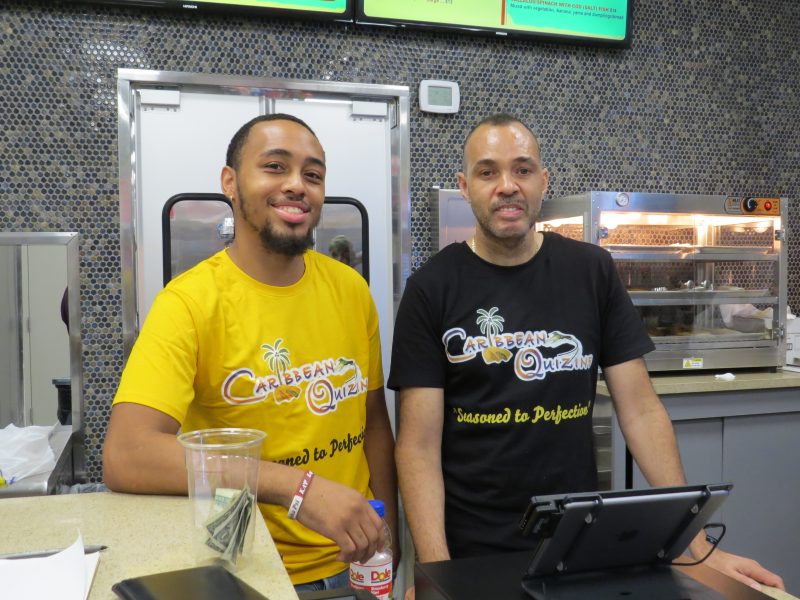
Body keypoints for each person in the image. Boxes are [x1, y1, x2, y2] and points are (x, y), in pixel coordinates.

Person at [389, 113, 783, 594]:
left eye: (522, 169)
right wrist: (435, 573)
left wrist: (696, 547)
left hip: (576, 543)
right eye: (488, 172)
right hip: (473, 550)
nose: (507, 185)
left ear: (544, 181)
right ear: (465, 186)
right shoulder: (431, 288)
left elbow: (640, 410)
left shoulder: (591, 270)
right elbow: (418, 446)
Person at [103, 114, 397, 591]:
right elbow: (126, 454)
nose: (297, 185)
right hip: (247, 571)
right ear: (230, 183)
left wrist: (387, 537)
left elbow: (374, 423)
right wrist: (299, 489)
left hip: (354, 564)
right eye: (275, 167)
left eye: (313, 174)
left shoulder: (351, 290)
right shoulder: (188, 303)